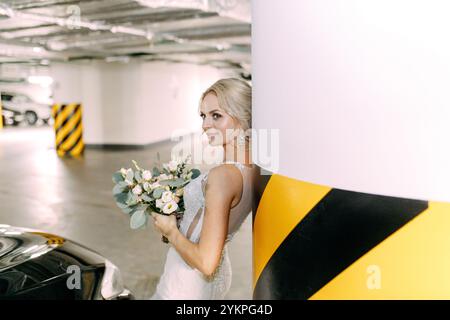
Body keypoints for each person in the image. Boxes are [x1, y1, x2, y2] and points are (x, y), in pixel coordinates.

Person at [150, 78, 256, 299]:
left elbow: (207, 263)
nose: (205, 125)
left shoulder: (223, 176)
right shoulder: (254, 168)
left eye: (216, 115)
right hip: (216, 277)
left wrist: (170, 231)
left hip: (188, 282)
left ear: (242, 117)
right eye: (203, 116)